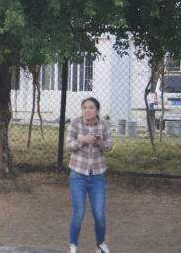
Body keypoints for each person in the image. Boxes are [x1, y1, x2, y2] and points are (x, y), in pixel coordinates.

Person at [65, 97, 113, 253]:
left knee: (99, 215)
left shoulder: (104, 125)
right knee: (79, 214)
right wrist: (82, 140)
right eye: (85, 107)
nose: (87, 110)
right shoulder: (75, 124)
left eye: (91, 108)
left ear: (97, 111)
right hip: (78, 175)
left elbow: (109, 146)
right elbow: (68, 146)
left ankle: (101, 244)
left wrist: (101, 143)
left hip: (97, 176)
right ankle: (73, 245)